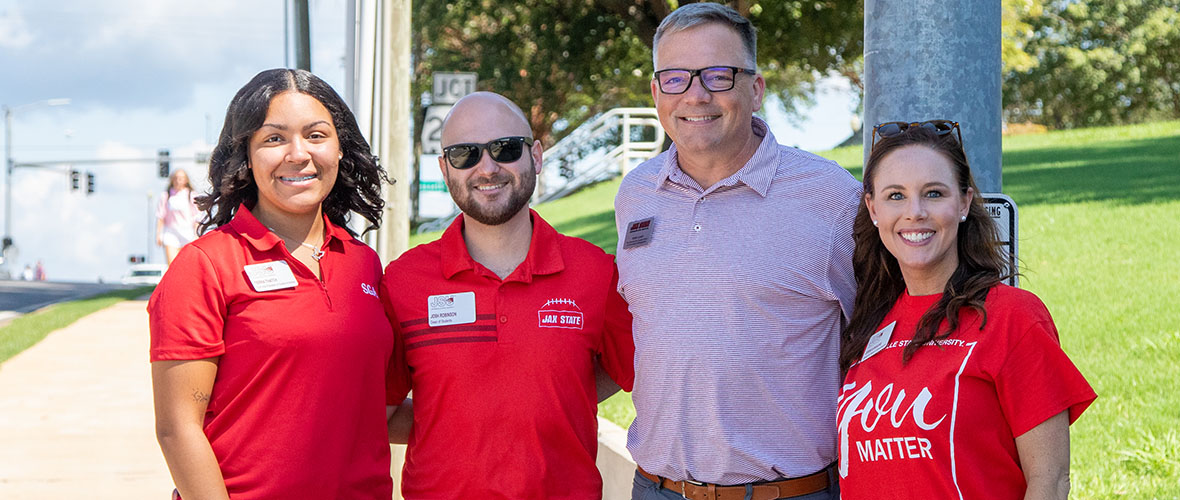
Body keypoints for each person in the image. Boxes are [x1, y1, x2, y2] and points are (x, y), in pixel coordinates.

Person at [614, 4, 860, 500]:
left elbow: (886, 335)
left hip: (790, 491)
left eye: (719, 76)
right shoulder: (635, 194)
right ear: (656, 92)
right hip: (656, 488)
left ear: (756, 89)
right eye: (675, 78)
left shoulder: (832, 196)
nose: (696, 95)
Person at [148, 68, 395, 499]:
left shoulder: (365, 265)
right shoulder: (204, 266)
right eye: (274, 139)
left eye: (316, 135)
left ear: (341, 149)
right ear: (245, 155)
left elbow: (378, 409)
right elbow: (177, 429)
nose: (298, 154)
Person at [380, 91, 635, 499]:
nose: (487, 167)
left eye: (505, 148)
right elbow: (383, 411)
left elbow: (641, 372)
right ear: (445, 169)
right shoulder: (403, 281)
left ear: (535, 155)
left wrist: (557, 396)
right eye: (466, 154)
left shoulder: (596, 273)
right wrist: (454, 417)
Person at [837, 120, 1096, 499]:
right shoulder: (868, 325)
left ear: (964, 203)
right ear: (872, 209)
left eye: (934, 193)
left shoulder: (1012, 318)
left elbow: (1051, 481)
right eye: (895, 196)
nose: (915, 212)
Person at [156, 169, 201, 265]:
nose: (178, 181)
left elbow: (197, 217)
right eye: (176, 178)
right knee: (172, 265)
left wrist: (196, 234)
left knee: (187, 264)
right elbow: (160, 216)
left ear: (186, 180)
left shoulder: (191, 195)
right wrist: (158, 234)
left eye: (181, 178)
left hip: (187, 232)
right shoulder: (166, 195)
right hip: (171, 232)